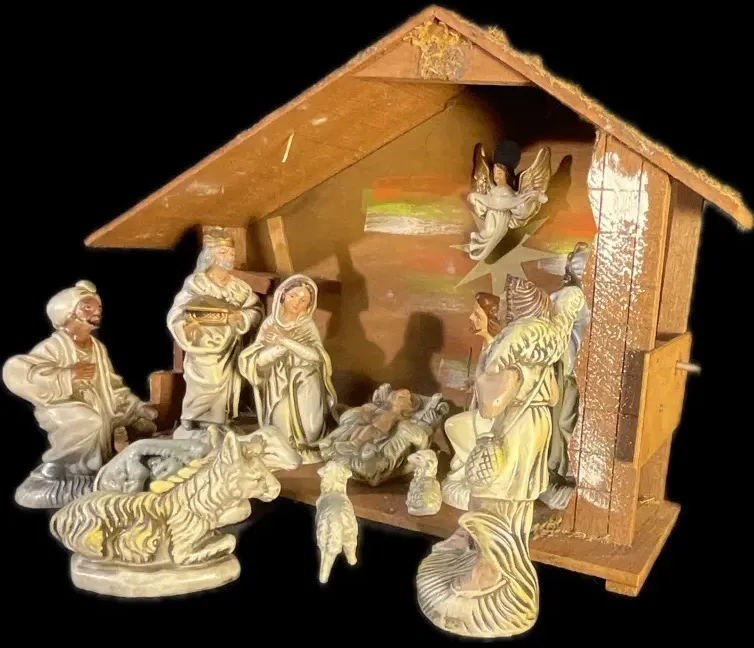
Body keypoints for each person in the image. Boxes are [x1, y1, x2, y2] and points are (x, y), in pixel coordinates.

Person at [3, 280, 157, 507]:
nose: (96, 312)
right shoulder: (53, 347)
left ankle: (94, 471)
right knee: (89, 421)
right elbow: (26, 373)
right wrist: (68, 376)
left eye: (98, 308)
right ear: (68, 313)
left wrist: (137, 407)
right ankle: (54, 470)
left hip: (99, 405)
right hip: (62, 407)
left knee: (136, 425)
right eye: (87, 307)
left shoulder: (97, 348)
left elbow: (113, 386)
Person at [167, 229, 264, 436]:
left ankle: (219, 422)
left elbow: (256, 310)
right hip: (203, 346)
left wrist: (241, 317)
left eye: (231, 253)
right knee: (205, 382)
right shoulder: (197, 283)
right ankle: (193, 420)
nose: (229, 257)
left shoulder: (240, 288)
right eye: (223, 252)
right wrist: (187, 324)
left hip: (229, 346)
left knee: (225, 385)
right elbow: (178, 312)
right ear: (210, 255)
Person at [238, 274, 337, 463]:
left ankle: (309, 447)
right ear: (283, 295)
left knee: (311, 430)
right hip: (278, 387)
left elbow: (317, 356)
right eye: (293, 296)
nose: (297, 302)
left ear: (309, 305)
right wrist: (276, 351)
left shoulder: (307, 325)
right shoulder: (270, 324)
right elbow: (256, 361)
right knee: (280, 434)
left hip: (306, 382)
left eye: (303, 300)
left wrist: (286, 342)